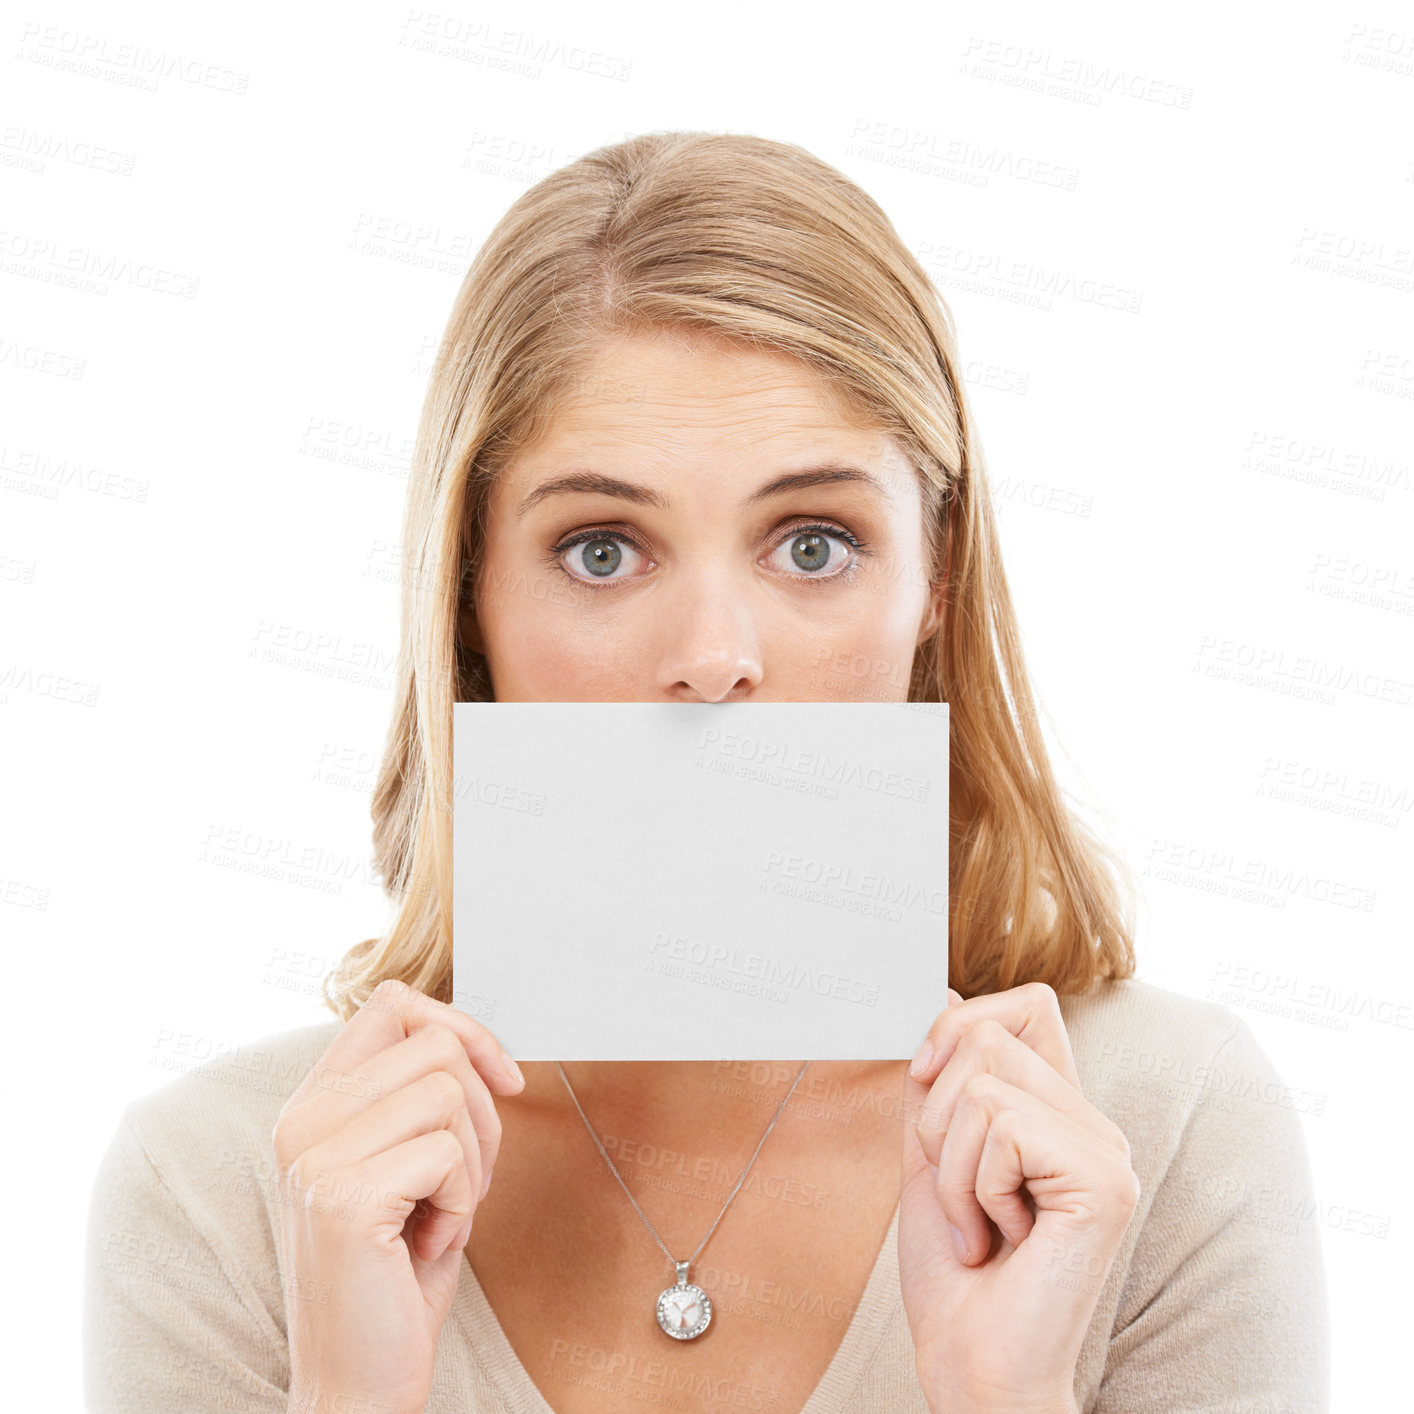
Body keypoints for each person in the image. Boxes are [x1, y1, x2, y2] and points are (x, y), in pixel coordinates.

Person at [83, 130, 1330, 1414]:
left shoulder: (1152, 1133)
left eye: (812, 542)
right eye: (604, 551)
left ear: (932, 582)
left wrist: (998, 1393)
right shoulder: (229, 1189)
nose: (714, 658)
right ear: (469, 605)